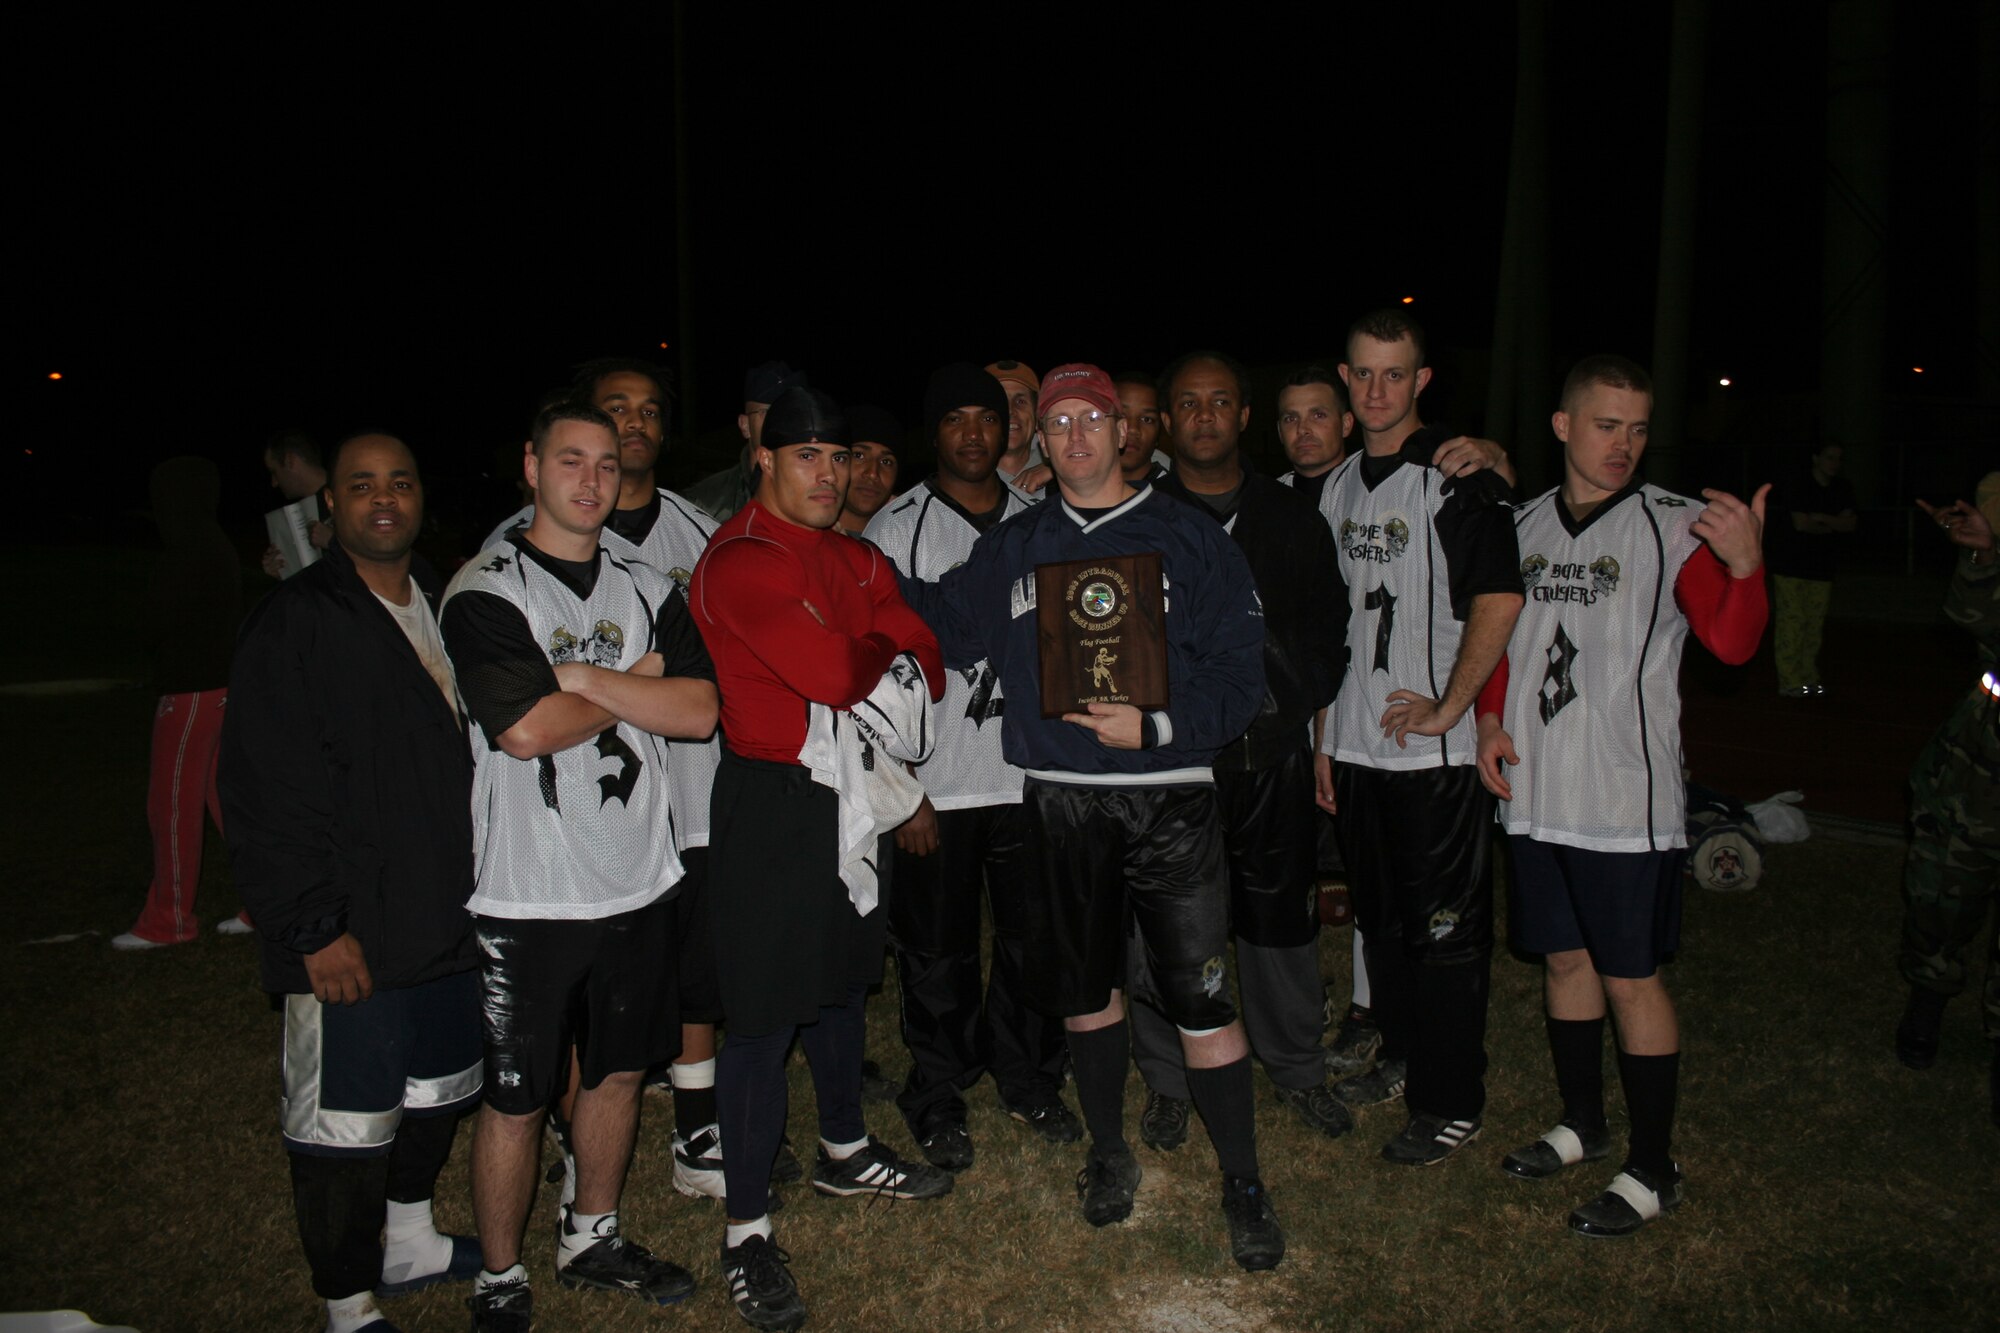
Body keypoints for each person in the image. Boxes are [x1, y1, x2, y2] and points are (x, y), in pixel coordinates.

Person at [900, 362, 1285, 1271]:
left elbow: (1242, 676)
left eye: (1092, 420)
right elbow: (943, 624)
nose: (1074, 436)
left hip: (1172, 797)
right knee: (1084, 991)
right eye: (1059, 422)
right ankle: (1107, 1152)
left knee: (1202, 994)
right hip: (1061, 799)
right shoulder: (1016, 545)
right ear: (1042, 442)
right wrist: (839, 560)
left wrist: (1155, 722)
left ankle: (1243, 1177)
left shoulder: (1192, 539)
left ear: (1123, 434)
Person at [1473, 355, 1769, 1235]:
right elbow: (1503, 641)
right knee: (1564, 961)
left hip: (1623, 801)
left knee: (1629, 976)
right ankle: (1583, 1123)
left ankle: (1653, 1165)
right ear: (1563, 426)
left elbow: (1732, 644)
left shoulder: (1675, 526)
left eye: (1638, 429)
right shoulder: (1520, 524)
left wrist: (1747, 566)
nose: (1624, 445)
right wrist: (1489, 722)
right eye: (1607, 425)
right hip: (1535, 790)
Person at [442, 402, 717, 1330]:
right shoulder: (488, 587)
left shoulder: (646, 580)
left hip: (642, 874)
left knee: (616, 1075)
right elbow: (524, 729)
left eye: (606, 463)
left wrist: (589, 680)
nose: (592, 480)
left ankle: (591, 1232)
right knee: (517, 1096)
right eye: (571, 460)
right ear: (529, 466)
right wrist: (636, 682)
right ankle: (500, 1273)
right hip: (530, 889)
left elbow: (700, 711)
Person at [691, 386, 954, 1332]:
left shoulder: (853, 551)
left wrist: (873, 639)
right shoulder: (742, 561)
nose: (827, 473)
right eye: (806, 455)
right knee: (763, 1015)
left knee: (844, 982)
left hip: (853, 786)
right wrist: (874, 641)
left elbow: (925, 645)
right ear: (763, 456)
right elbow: (842, 673)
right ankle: (746, 1230)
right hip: (771, 799)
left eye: (838, 458)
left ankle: (844, 1146)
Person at [219, 433, 484, 1333]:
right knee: (345, 1127)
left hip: (447, 914)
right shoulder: (297, 618)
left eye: (400, 482)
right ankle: (346, 1300)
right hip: (352, 928)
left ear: (420, 498)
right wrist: (311, 927)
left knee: (440, 1091)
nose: (383, 499)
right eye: (360, 484)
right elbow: (263, 785)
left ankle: (409, 1238)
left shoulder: (450, 601)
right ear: (326, 504)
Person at [1316, 308, 1525, 1167]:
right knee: (1383, 924)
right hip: (1359, 750)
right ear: (1345, 376)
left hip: (1429, 761)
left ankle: (1452, 1099)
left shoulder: (1456, 477)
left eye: (1394, 374)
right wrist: (1326, 740)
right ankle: (1402, 1057)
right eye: (1363, 373)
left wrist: (1452, 704)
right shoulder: (1335, 486)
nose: (1376, 390)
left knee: (1445, 934)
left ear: (1422, 380)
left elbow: (1501, 595)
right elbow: (1331, 626)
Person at [864, 363, 1079, 1172]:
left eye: (985, 418)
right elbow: (875, 673)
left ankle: (1029, 1077)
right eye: (953, 418)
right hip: (938, 785)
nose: (972, 433)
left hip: (1029, 776)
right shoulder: (897, 528)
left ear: (1005, 428)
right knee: (936, 948)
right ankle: (941, 1090)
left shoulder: (1044, 518)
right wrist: (901, 788)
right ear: (936, 432)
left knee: (1034, 940)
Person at [1139, 351, 1350, 1146]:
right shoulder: (1140, 518)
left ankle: (1295, 1064)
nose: (1203, 417)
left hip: (1269, 756)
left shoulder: (1292, 517)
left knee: (1278, 922)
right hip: (1173, 761)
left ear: (1244, 415)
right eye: (1186, 403)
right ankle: (1165, 1077)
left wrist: (1280, 702)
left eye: (1219, 401)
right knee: (1163, 924)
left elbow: (1329, 634)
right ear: (1165, 420)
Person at [1893, 478, 1999, 1127]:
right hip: (1985, 755)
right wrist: (1984, 554)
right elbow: (1969, 617)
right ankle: (1929, 992)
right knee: (1945, 888)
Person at [113, 458, 245, 951]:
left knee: (170, 806)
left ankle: (169, 919)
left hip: (191, 693)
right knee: (223, 803)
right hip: (215, 690)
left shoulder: (189, 548)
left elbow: (156, 621)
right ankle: (265, 902)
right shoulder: (213, 544)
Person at [1765, 442, 1857, 697]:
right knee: (1792, 623)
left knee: (1813, 626)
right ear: (1816, 458)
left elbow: (1849, 524)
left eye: (1838, 458)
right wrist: (1831, 522)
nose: (1834, 463)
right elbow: (1801, 523)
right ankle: (1789, 680)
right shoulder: (1800, 484)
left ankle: (1808, 677)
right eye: (1829, 457)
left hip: (1822, 566)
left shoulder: (1842, 488)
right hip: (1791, 565)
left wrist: (1823, 518)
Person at [685, 361, 810, 523]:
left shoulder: (822, 495)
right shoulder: (704, 504)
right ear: (745, 425)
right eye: (766, 412)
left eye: (792, 414)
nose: (780, 421)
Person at [260, 429, 333, 579]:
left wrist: (334, 542)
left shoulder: (348, 498)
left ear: (290, 461)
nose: (274, 482)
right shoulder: (300, 512)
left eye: (274, 471)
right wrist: (282, 570)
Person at [837, 404, 903, 536]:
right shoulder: (798, 537)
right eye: (859, 455)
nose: (873, 473)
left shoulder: (912, 542)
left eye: (886, 462)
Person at [986, 359, 1044, 493]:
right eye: (999, 401)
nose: (1010, 410)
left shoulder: (1064, 469)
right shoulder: (961, 480)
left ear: (1037, 415)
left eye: (1020, 401)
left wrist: (1059, 471)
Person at [1113, 370, 1174, 482]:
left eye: (1147, 419)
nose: (1133, 429)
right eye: (1121, 415)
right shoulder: (1074, 486)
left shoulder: (1175, 495)